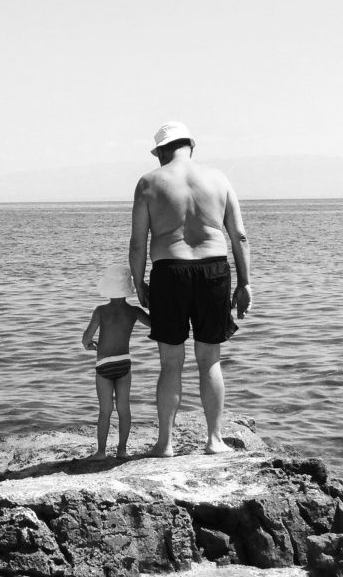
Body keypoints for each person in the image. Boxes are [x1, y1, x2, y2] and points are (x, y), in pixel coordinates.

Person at [130, 121, 252, 456]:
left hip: (169, 272)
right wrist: (244, 283)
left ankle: (165, 444)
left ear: (163, 151)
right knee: (209, 359)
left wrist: (138, 282)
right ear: (191, 146)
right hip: (213, 270)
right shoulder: (218, 179)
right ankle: (214, 440)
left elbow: (138, 243)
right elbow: (238, 235)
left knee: (170, 361)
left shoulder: (149, 183)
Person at [81, 264, 151, 460]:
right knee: (124, 408)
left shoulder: (100, 310)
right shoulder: (134, 311)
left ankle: (101, 452)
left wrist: (90, 345)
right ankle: (122, 450)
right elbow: (155, 324)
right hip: (124, 363)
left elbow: (86, 338)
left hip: (104, 364)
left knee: (105, 410)